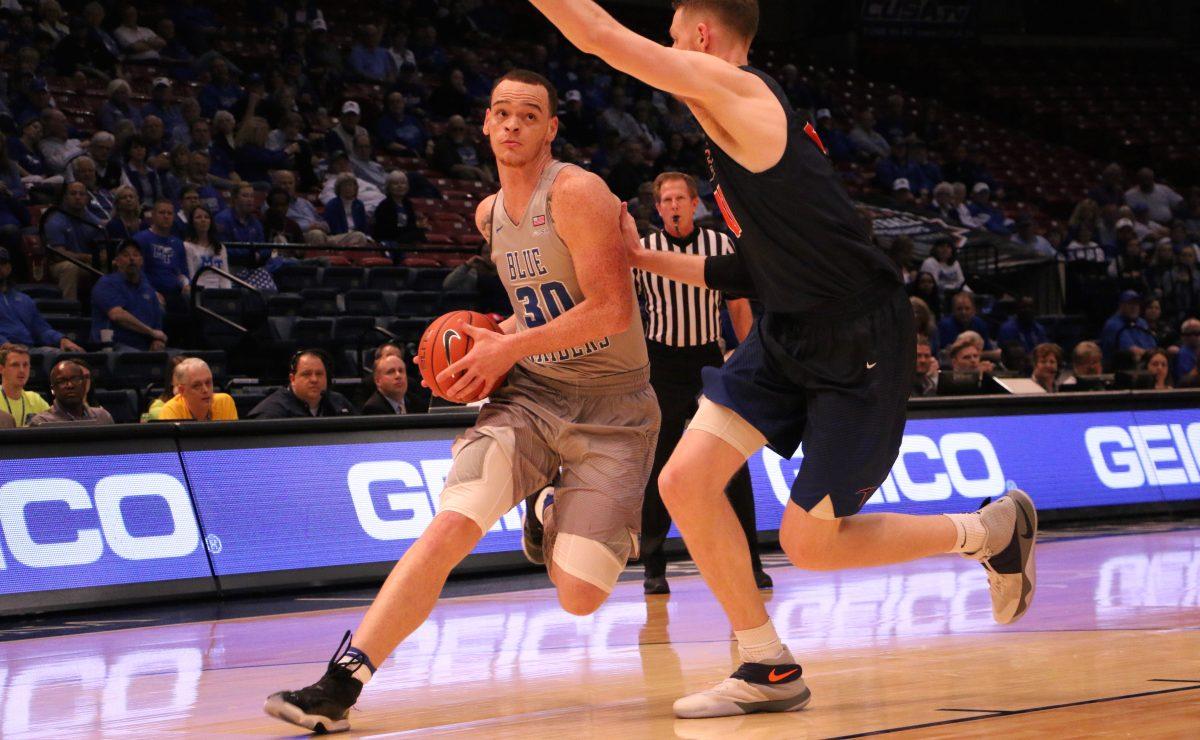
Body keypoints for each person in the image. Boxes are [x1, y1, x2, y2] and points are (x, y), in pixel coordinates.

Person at [530, 0, 1036, 720]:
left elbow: (600, 35)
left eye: (674, 36)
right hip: (788, 328)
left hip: (857, 336)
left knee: (811, 544)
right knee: (686, 481)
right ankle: (765, 663)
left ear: (701, 39)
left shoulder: (743, 94)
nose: (669, 49)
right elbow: (746, 273)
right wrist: (640, 255)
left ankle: (989, 532)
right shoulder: (732, 130)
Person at [264, 70, 659, 733]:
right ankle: (340, 684)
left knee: (582, 595)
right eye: (501, 112)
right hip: (532, 395)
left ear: (550, 128)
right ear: (483, 123)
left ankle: (549, 503)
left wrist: (506, 344)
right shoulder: (487, 213)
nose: (511, 124)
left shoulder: (579, 192)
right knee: (451, 525)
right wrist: (490, 340)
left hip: (614, 410)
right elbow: (537, 306)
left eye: (528, 115)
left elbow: (612, 310)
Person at [632, 171, 768, 595]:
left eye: (679, 199)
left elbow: (739, 306)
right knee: (660, 464)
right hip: (662, 365)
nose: (672, 206)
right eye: (665, 200)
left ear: (695, 204)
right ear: (658, 209)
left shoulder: (720, 245)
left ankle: (751, 561)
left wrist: (750, 360)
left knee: (732, 461)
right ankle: (654, 565)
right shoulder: (642, 251)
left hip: (709, 361)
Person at [0, 248, 84, 351]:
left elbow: (41, 330)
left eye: (2, 264)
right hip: (4, 351)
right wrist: (4, 344)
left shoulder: (24, 299)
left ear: (8, 268)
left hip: (27, 350)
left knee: (66, 355)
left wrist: (61, 339)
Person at [91, 239, 167, 351]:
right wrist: (151, 333)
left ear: (141, 261)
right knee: (137, 359)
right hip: (114, 346)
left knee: (182, 359)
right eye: (125, 255)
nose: (131, 259)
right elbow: (117, 315)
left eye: (136, 255)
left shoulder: (149, 290)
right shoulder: (106, 283)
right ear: (116, 261)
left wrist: (157, 341)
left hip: (144, 346)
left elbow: (158, 329)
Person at [246, 350, 356, 419]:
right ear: (292, 379)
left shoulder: (339, 403)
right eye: (306, 374)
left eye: (319, 374)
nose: (314, 379)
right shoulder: (272, 413)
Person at [43, 181, 106, 300]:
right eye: (73, 194)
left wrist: (105, 256)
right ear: (65, 198)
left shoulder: (92, 220)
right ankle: (69, 312)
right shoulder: (55, 221)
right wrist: (87, 257)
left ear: (87, 198)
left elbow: (103, 245)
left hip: (87, 264)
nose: (78, 197)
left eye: (81, 194)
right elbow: (58, 254)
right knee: (69, 267)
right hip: (58, 265)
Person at [134, 199, 190, 304]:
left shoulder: (178, 243)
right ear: (153, 215)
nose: (166, 216)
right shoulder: (141, 239)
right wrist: (151, 292)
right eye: (162, 212)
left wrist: (186, 285)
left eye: (169, 213)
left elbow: (183, 272)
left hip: (175, 291)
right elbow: (138, 272)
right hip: (149, 290)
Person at [29, 359, 115, 426]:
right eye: (62, 381)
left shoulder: (103, 417)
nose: (70, 385)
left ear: (84, 384)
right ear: (52, 390)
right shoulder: (42, 422)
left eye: (75, 379)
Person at [158, 357, 238, 420]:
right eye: (196, 386)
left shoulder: (224, 402)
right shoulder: (171, 410)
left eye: (208, 382)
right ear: (182, 391)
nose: (205, 390)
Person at [0, 343, 50, 427]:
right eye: (15, 365)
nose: (22, 370)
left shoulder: (35, 399)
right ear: (1, 369)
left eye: (25, 365)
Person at [1099, 290, 1157, 361]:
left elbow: (1153, 347)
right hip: (1121, 366)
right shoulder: (1113, 324)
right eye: (1130, 304)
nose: (1134, 307)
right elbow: (1132, 351)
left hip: (1144, 362)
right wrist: (1151, 354)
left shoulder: (1142, 322)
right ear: (1121, 306)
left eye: (1136, 304)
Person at [184, 205, 231, 289]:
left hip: (219, 293)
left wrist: (227, 296)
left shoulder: (220, 247)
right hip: (200, 292)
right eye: (198, 217)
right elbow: (191, 276)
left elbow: (225, 277)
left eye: (206, 217)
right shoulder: (187, 246)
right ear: (192, 222)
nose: (203, 220)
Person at [372, 171, 424, 246]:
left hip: (406, 239)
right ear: (389, 187)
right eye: (395, 184)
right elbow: (383, 231)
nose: (400, 186)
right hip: (390, 241)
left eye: (403, 183)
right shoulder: (384, 206)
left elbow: (411, 224)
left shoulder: (408, 204)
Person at [1175, 318, 1199, 387]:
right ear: (1183, 336)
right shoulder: (1181, 354)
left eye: (1197, 333)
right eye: (1189, 334)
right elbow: (1182, 381)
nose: (1193, 337)